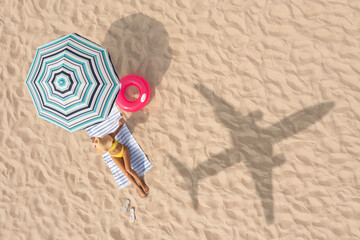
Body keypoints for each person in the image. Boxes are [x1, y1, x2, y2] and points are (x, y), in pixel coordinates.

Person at [90, 117, 149, 198]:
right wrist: (94, 140)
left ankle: (142, 183)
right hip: (114, 156)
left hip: (123, 151)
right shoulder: (99, 146)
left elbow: (115, 132)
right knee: (126, 173)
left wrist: (120, 125)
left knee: (129, 170)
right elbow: (97, 145)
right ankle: (138, 188)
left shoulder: (109, 136)